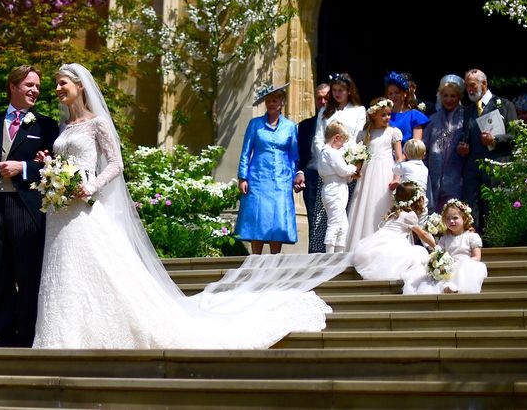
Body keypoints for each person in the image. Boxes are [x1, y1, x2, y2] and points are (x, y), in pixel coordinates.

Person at [32, 64, 339, 349]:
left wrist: (92, 185)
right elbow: (65, 162)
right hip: (61, 209)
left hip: (85, 205)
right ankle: (62, 334)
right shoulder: (65, 126)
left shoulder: (95, 123)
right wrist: (50, 169)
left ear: (80, 86)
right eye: (56, 84)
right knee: (65, 268)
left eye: (63, 83)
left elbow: (116, 163)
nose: (58, 89)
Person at [0, 65, 60, 347]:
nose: (35, 90)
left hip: (27, 207)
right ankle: (3, 333)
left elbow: (54, 169)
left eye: (37, 86)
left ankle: (26, 333)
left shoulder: (46, 126)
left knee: (28, 272)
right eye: (29, 85)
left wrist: (22, 167)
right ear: (13, 86)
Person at [235, 83, 305, 255]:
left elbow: (294, 155)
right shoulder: (255, 124)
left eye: (274, 100)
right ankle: (255, 261)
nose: (271, 103)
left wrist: (296, 175)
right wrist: (242, 177)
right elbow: (246, 152)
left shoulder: (290, 126)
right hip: (258, 178)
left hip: (281, 178)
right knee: (257, 218)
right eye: (268, 100)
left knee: (278, 219)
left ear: (282, 103)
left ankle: (274, 261)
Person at [457, 69, 518, 233]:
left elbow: (517, 136)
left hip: (496, 163)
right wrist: (462, 147)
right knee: (470, 204)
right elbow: (466, 135)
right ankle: (473, 241)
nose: (469, 90)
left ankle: (495, 241)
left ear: (483, 84)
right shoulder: (468, 110)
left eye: (472, 85)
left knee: (493, 205)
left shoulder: (505, 105)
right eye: (467, 86)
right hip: (472, 166)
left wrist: (496, 140)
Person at [345, 98, 404, 250]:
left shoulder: (393, 132)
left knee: (384, 203)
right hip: (368, 174)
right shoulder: (364, 134)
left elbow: (399, 157)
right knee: (366, 204)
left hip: (386, 171)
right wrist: (355, 170)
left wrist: (397, 177)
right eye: (383, 115)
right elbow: (359, 157)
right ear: (373, 116)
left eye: (389, 114)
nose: (387, 118)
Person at [351, 182, 433, 284]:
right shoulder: (409, 215)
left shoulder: (393, 213)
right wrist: (435, 245)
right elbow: (423, 235)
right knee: (419, 253)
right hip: (393, 243)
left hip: (377, 242)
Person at [404, 199, 487, 295]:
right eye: (448, 219)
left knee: (462, 268)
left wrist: (464, 263)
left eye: (455, 218)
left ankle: (454, 286)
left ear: (464, 218)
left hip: (465, 264)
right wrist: (440, 264)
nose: (451, 221)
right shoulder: (444, 238)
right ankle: (445, 287)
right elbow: (439, 253)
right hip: (448, 266)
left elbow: (477, 257)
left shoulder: (471, 236)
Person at [313, 73, 367, 206]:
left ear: (349, 91)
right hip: (329, 167)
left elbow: (358, 138)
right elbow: (318, 138)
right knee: (328, 209)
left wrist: (347, 158)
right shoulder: (325, 111)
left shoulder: (359, 110)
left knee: (347, 207)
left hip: (348, 164)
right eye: (335, 90)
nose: (337, 94)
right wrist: (328, 156)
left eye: (341, 90)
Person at [423, 75, 467, 211]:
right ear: (440, 96)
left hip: (457, 176)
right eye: (445, 95)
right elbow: (424, 148)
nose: (449, 100)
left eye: (453, 96)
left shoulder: (466, 117)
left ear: (459, 97)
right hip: (433, 176)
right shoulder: (433, 119)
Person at [318, 121, 360, 253]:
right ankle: (329, 255)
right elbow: (343, 170)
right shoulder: (331, 152)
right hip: (334, 189)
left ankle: (339, 255)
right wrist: (355, 167)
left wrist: (350, 175)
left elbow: (342, 175)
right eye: (342, 141)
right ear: (336, 138)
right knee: (335, 223)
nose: (342, 145)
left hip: (337, 187)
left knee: (343, 226)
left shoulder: (326, 152)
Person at [298, 82, 331, 253]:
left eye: (326, 97)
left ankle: (333, 256)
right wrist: (299, 172)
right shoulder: (304, 126)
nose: (323, 101)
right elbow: (299, 154)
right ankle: (315, 257)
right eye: (319, 98)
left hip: (334, 177)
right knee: (314, 219)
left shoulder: (340, 123)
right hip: (311, 177)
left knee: (334, 220)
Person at [385, 71, 429, 144]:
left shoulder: (414, 116)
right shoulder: (385, 116)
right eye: (390, 93)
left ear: (405, 93)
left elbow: (416, 145)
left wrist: (403, 155)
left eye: (397, 92)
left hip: (409, 154)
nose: (393, 96)